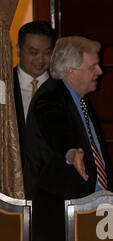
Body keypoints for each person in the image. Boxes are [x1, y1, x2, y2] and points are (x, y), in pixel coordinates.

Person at [23, 36, 112, 241]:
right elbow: (57, 133)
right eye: (92, 67)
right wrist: (71, 153)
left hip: (83, 213)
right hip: (57, 221)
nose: (100, 71)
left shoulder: (78, 100)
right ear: (71, 71)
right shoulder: (50, 98)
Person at [13, 21, 55, 166]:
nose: (41, 59)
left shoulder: (62, 88)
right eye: (33, 53)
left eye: (47, 53)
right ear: (18, 49)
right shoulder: (4, 85)